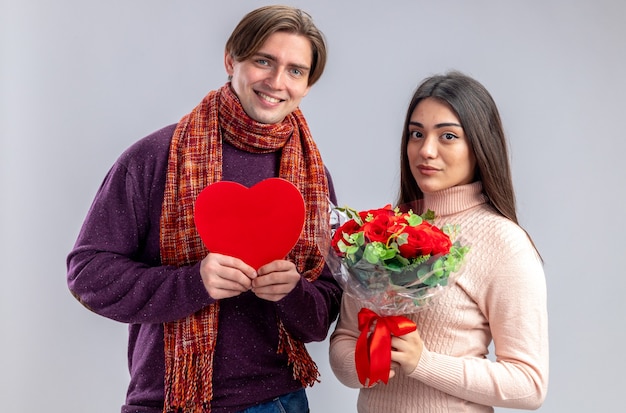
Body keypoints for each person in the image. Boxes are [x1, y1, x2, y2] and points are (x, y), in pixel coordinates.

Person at [67, 5, 342, 413]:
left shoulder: (313, 178)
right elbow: (88, 274)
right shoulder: (155, 158)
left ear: (308, 85)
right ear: (232, 59)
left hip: (278, 401)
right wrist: (193, 283)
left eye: (295, 70)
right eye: (263, 61)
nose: (276, 81)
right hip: (167, 402)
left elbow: (323, 312)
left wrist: (293, 292)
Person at [328, 71, 549, 412]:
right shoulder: (383, 232)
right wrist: (366, 362)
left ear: (479, 145)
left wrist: (423, 362)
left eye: (447, 136)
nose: (426, 150)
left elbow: (529, 385)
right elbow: (343, 338)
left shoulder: (504, 243)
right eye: (416, 134)